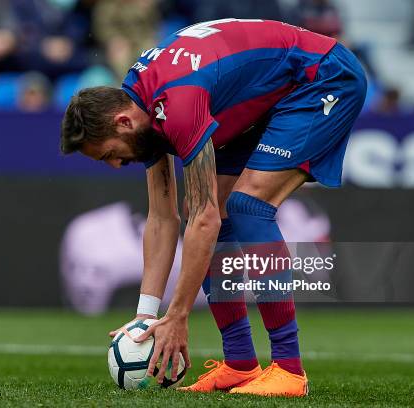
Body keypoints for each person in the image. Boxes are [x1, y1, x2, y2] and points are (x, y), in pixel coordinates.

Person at [60, 19, 367, 397]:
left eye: (108, 154)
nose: (114, 165)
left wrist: (179, 316)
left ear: (122, 122)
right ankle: (240, 363)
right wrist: (146, 314)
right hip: (270, 94)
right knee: (211, 211)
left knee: (248, 206)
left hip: (321, 77)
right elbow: (161, 218)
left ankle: (289, 369)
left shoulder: (177, 103)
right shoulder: (142, 106)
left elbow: (202, 221)